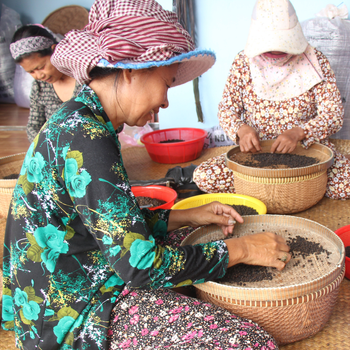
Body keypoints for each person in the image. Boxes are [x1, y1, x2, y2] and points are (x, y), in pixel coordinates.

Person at [2, 1, 291, 349]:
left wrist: (185, 215)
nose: (166, 101)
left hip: (67, 278)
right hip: (70, 314)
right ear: (131, 71)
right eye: (166, 84)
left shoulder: (79, 118)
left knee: (191, 237)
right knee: (252, 343)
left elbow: (102, 224)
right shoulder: (87, 137)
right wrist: (242, 249)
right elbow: (139, 267)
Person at [193, 0, 350, 200]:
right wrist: (242, 130)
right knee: (204, 176)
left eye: (283, 46)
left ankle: (270, 191)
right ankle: (295, 192)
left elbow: (333, 115)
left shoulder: (315, 61)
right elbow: (227, 109)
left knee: (346, 183)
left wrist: (299, 133)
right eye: (269, 47)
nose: (276, 52)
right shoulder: (243, 63)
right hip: (256, 155)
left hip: (307, 153)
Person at [10, 25, 83, 143]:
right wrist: (45, 147)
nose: (39, 76)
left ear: (55, 50)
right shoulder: (39, 87)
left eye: (41, 67)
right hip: (54, 149)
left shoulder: (85, 78)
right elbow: (34, 126)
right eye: (31, 72)